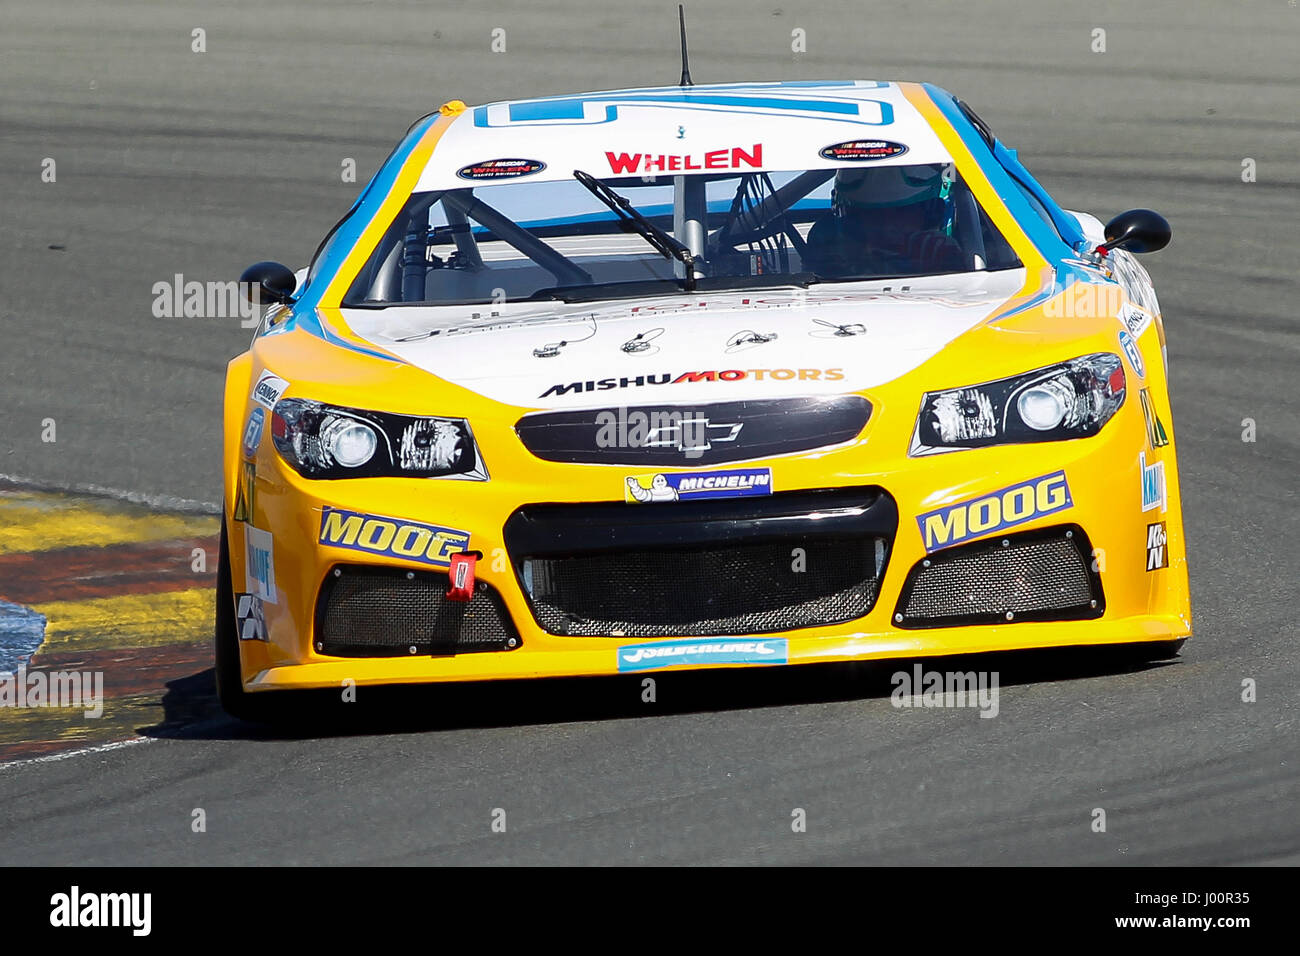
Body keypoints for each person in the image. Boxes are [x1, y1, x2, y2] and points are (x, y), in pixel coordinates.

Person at [804, 163, 968, 277]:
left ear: (933, 212)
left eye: (900, 214)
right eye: (870, 215)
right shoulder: (828, 243)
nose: (887, 226)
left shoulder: (944, 249)